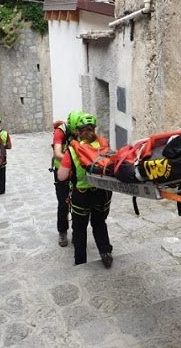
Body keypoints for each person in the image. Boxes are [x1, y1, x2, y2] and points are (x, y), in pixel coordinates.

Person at [57, 113, 114, 268]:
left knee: (79, 229)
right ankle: (105, 253)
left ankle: (80, 262)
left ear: (78, 131)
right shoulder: (103, 145)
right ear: (94, 129)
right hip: (102, 193)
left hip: (81, 196)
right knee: (99, 222)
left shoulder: (73, 150)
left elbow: (61, 176)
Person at [51, 110, 83, 247]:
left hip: (76, 170)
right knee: (63, 203)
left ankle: (77, 232)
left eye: (79, 130)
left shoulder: (82, 130)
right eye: (76, 130)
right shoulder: (60, 131)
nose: (78, 133)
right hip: (61, 170)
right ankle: (62, 231)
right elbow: (57, 152)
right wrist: (72, 160)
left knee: (77, 202)